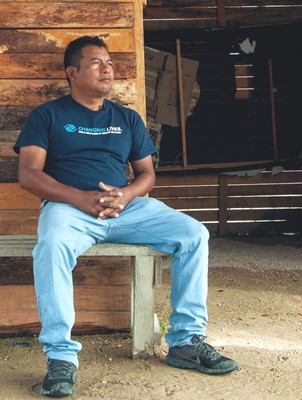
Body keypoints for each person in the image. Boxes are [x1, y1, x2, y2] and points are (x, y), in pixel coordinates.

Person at [14, 36, 238, 398]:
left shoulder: (126, 118)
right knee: (51, 245)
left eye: (109, 63)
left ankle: (184, 341)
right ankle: (61, 358)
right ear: (72, 73)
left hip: (126, 209)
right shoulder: (48, 116)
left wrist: (126, 194)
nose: (107, 69)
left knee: (194, 234)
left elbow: (147, 175)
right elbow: (29, 174)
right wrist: (80, 199)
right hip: (70, 210)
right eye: (95, 63)